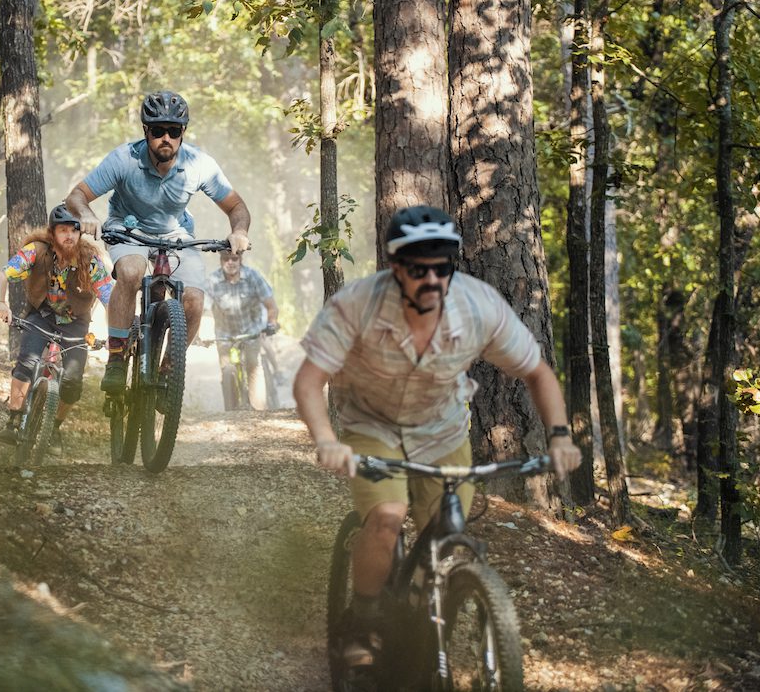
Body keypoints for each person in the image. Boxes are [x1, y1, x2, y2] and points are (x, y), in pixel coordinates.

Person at [292, 204, 582, 667]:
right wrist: (327, 440)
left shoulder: (478, 305)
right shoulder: (357, 304)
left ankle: (418, 624)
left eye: (442, 267)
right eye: (417, 268)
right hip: (371, 423)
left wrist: (560, 437)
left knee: (445, 535)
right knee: (387, 518)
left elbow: (537, 372)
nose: (431, 279)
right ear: (394, 267)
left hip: (442, 429)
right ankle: (364, 620)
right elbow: (308, 381)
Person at [65, 90, 253, 394]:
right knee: (130, 271)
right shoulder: (124, 158)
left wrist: (239, 232)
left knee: (194, 299)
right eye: (157, 130)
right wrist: (86, 214)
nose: (166, 137)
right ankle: (116, 355)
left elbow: (237, 208)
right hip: (128, 228)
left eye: (174, 131)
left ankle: (168, 369)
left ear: (183, 133)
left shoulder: (198, 164)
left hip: (176, 234)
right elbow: (77, 195)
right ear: (145, 131)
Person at [0, 204, 114, 444]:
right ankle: (14, 421)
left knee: (72, 381)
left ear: (80, 233)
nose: (69, 236)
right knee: (27, 362)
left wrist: (115, 334)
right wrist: (0, 302)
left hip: (76, 322)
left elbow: (110, 299)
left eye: (74, 230)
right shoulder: (36, 251)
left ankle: (54, 427)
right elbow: (2, 275)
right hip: (41, 316)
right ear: (52, 233)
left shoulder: (90, 260)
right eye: (63, 230)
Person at [205, 250, 281, 410]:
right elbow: (202, 308)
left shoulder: (253, 276)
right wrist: (197, 335)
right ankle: (230, 412)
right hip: (225, 335)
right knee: (227, 369)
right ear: (220, 261)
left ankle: (259, 411)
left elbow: (271, 305)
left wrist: (271, 324)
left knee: (253, 366)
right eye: (226, 259)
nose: (230, 262)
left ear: (241, 260)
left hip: (251, 331)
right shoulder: (212, 281)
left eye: (234, 258)